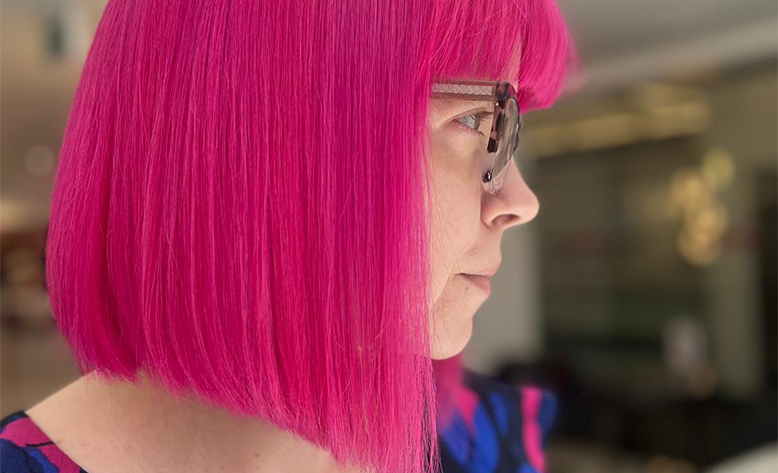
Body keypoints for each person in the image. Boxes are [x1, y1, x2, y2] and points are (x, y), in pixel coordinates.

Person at [0, 0, 578, 472]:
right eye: (475, 119)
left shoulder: (487, 437)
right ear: (261, 143)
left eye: (508, 131)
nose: (520, 202)